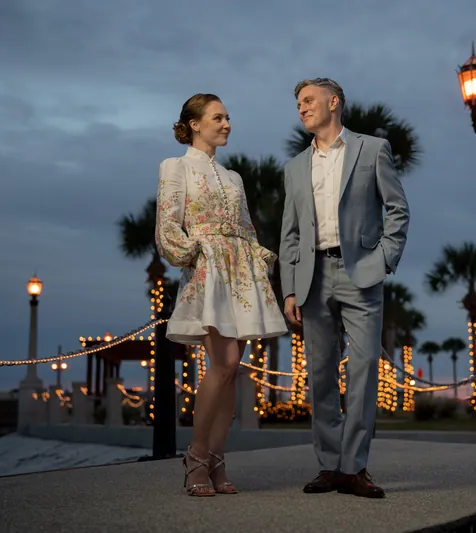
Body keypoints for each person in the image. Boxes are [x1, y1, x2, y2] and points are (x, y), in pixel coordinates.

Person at [279, 78, 410, 499]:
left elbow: (397, 209)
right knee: (319, 374)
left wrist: (384, 259)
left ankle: (354, 467)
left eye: (309, 100)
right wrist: (290, 290)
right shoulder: (295, 167)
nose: (302, 108)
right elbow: (291, 235)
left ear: (333, 102)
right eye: (298, 103)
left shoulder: (372, 149)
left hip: (361, 275)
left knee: (365, 367)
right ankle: (330, 466)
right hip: (312, 278)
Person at [156, 93, 287, 497]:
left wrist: (259, 261)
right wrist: (195, 252)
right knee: (224, 361)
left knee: (232, 369)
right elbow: (167, 225)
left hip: (240, 274)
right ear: (195, 124)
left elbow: (246, 228)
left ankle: (217, 457)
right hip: (208, 271)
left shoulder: (234, 177)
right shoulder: (175, 166)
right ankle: (196, 456)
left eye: (229, 117)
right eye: (218, 117)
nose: (227, 123)